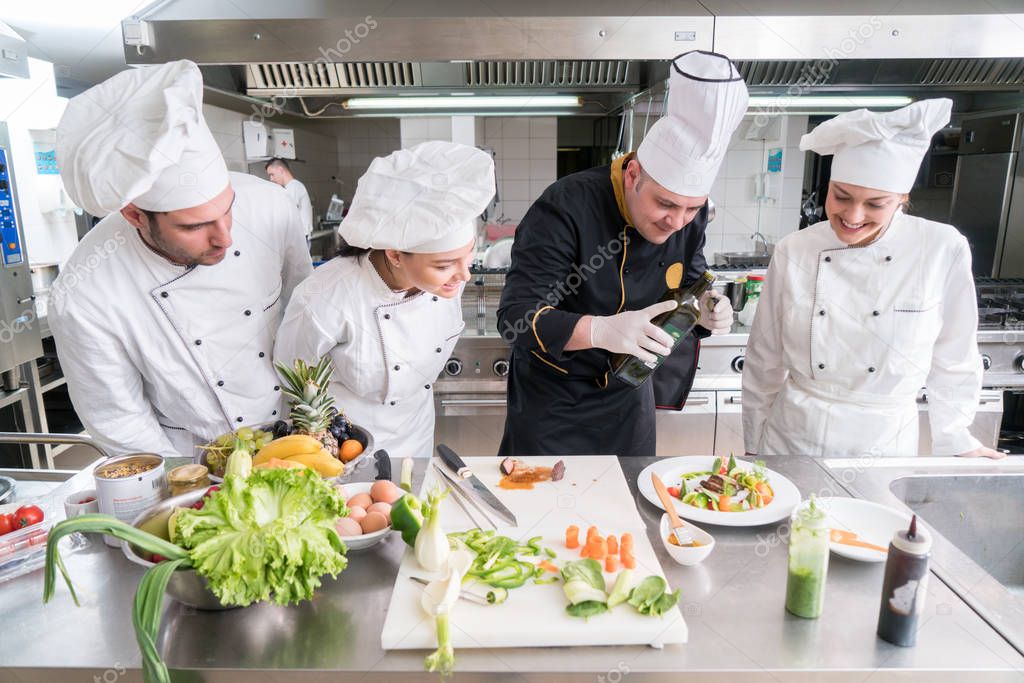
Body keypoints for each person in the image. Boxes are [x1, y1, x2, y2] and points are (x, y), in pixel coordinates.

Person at [49, 60, 312, 458]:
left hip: (296, 438)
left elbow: (302, 308)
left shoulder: (270, 205)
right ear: (136, 216)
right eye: (195, 227)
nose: (225, 236)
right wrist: (190, 488)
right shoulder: (84, 293)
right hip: (189, 458)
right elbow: (119, 420)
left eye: (228, 209)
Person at [496, 50, 744, 458]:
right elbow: (516, 317)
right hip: (554, 407)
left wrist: (704, 307)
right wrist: (600, 330)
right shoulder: (566, 206)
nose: (676, 221)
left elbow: (689, 286)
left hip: (629, 402)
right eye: (664, 204)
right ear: (632, 175)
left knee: (628, 511)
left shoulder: (688, 219)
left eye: (692, 208)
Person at [742, 98, 1003, 459]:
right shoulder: (795, 249)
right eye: (841, 196)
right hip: (794, 437)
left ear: (901, 199)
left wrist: (957, 440)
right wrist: (754, 445)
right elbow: (764, 358)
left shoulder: (942, 248)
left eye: (875, 204)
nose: (853, 215)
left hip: (884, 444)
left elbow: (954, 356)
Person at [273, 141, 495, 459]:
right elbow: (291, 375)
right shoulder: (325, 295)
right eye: (445, 265)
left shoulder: (447, 283)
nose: (464, 276)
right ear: (395, 254)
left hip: (416, 435)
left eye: (467, 256)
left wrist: (447, 270)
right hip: (345, 446)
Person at [266, 158, 314, 242]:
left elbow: (285, 214)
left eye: (272, 174)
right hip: (300, 238)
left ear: (280, 170)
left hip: (300, 239)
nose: (271, 179)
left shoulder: (293, 187)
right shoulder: (292, 187)